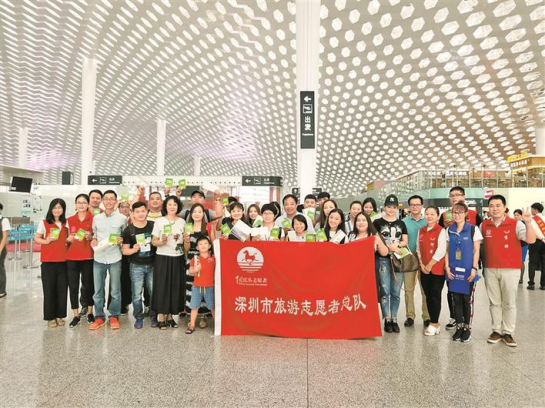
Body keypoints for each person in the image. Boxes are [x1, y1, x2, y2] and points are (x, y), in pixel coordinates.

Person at [481, 196, 536, 347]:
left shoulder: (516, 224)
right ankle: (496, 331)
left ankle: (508, 332)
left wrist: (528, 222)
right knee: (494, 302)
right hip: (490, 268)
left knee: (509, 302)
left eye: (498, 205)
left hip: (510, 269)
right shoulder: (484, 225)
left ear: (504, 207)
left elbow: (531, 240)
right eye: (491, 206)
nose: (495, 209)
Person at [439, 186, 482, 331]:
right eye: (452, 195)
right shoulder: (446, 223)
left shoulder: (474, 223)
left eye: (458, 194)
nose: (455, 197)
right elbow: (445, 247)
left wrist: (475, 267)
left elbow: (477, 249)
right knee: (454, 296)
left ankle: (466, 327)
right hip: (452, 267)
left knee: (466, 298)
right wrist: (446, 267)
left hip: (468, 267)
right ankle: (457, 322)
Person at [89, 190, 127, 330]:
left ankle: (114, 316)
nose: (109, 201)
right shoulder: (97, 218)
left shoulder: (122, 218)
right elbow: (94, 235)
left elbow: (125, 236)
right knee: (98, 290)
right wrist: (93, 240)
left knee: (115, 290)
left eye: (112, 199)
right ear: (102, 201)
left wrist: (121, 240)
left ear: (116, 201)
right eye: (106, 199)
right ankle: (99, 317)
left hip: (115, 257)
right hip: (99, 257)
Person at [373, 194, 409, 334]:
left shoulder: (401, 223)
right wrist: (388, 246)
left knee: (396, 292)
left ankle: (394, 318)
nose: (391, 210)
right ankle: (387, 319)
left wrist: (396, 246)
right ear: (384, 207)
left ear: (397, 208)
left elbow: (405, 241)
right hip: (382, 259)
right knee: (385, 291)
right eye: (389, 206)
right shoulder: (377, 223)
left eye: (394, 207)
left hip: (398, 259)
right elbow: (375, 240)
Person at [151, 196, 185, 329]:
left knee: (175, 286)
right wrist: (162, 242)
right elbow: (154, 241)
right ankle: (161, 315)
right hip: (163, 257)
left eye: (175, 204)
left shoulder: (182, 222)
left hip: (178, 257)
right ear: (165, 206)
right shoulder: (159, 221)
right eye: (169, 204)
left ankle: (170, 316)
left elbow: (184, 241)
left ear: (178, 207)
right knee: (162, 286)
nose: (172, 207)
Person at [122, 201, 157, 329]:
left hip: (152, 265)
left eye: (143, 211)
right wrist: (133, 249)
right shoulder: (129, 230)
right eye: (137, 212)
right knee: (136, 294)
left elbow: (159, 241)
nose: (141, 214)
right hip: (136, 266)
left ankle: (153, 316)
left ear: (147, 212)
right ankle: (138, 317)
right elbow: (124, 250)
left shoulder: (153, 225)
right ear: (133, 213)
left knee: (153, 292)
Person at [34, 199, 69, 328]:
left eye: (60, 207)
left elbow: (68, 240)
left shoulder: (66, 223)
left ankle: (60, 315)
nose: (57, 210)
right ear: (50, 209)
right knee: (49, 290)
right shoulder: (44, 223)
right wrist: (46, 241)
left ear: (63, 209)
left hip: (64, 262)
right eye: (54, 207)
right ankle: (50, 317)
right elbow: (36, 238)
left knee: (62, 290)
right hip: (48, 262)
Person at [417, 206, 447, 336]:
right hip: (424, 269)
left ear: (437, 216)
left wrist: (430, 265)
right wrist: (421, 264)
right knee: (428, 296)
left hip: (436, 269)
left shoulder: (441, 231)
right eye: (427, 214)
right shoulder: (421, 230)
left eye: (432, 214)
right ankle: (433, 322)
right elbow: (418, 248)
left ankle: (435, 323)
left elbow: (441, 250)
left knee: (435, 296)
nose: (429, 216)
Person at [66, 194, 95, 327]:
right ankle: (75, 315)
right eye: (79, 202)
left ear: (88, 204)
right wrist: (68, 240)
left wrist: (91, 237)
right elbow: (65, 240)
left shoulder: (93, 219)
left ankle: (90, 312)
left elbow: (96, 237)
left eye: (84, 202)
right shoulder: (69, 220)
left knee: (88, 285)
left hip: (88, 257)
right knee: (73, 287)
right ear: (75, 204)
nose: (81, 205)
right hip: (72, 258)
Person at [183, 203, 213, 328]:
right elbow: (186, 249)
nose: (197, 214)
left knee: (205, 287)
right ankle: (192, 317)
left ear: (203, 214)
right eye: (194, 211)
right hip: (192, 260)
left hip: (205, 260)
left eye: (200, 211)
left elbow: (212, 246)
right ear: (191, 214)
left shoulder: (208, 227)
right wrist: (186, 241)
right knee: (192, 288)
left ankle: (203, 316)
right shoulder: (187, 227)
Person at [402, 195, 430, 328]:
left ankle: (427, 316)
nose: (415, 207)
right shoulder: (404, 222)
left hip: (424, 258)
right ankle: (410, 316)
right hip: (409, 257)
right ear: (409, 207)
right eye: (412, 205)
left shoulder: (427, 221)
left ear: (422, 206)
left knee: (425, 289)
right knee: (408, 289)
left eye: (417, 204)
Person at [186, 236, 216, 334]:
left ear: (209, 246)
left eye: (205, 243)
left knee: (212, 307)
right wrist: (195, 270)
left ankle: (217, 326)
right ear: (197, 247)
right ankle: (192, 325)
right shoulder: (195, 259)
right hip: (196, 287)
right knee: (194, 307)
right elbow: (190, 271)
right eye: (201, 244)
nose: (203, 246)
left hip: (210, 287)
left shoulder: (213, 258)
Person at [527, 203, 545, 290]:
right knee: (544, 263)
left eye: (532, 209)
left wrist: (541, 238)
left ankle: (531, 284)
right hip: (544, 242)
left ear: (535, 210)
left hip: (535, 242)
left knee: (532, 263)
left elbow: (533, 230)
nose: (531, 211)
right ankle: (543, 284)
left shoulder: (532, 219)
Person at [513, 209, 529, 284]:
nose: (516, 216)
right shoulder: (512, 223)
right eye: (515, 215)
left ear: (521, 216)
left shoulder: (524, 223)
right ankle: (515, 277)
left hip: (523, 245)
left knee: (521, 261)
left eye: (518, 215)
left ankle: (521, 278)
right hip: (514, 244)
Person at [0, 203, 11, 298]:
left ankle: (2, 291)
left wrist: (0, 250)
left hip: (1, 248)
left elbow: (4, 237)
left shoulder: (4, 220)